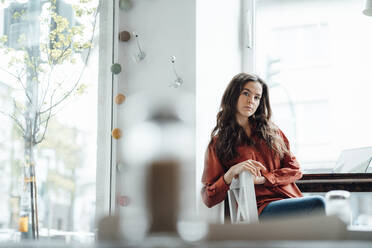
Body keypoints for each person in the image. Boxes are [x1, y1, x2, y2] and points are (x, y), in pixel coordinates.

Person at [201, 73, 325, 220]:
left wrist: (265, 179)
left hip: (291, 200)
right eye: (246, 93)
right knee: (319, 203)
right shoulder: (218, 143)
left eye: (257, 97)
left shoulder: (273, 132)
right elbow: (209, 198)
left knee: (331, 209)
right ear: (233, 95)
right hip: (260, 209)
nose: (251, 101)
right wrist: (231, 172)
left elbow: (295, 170)